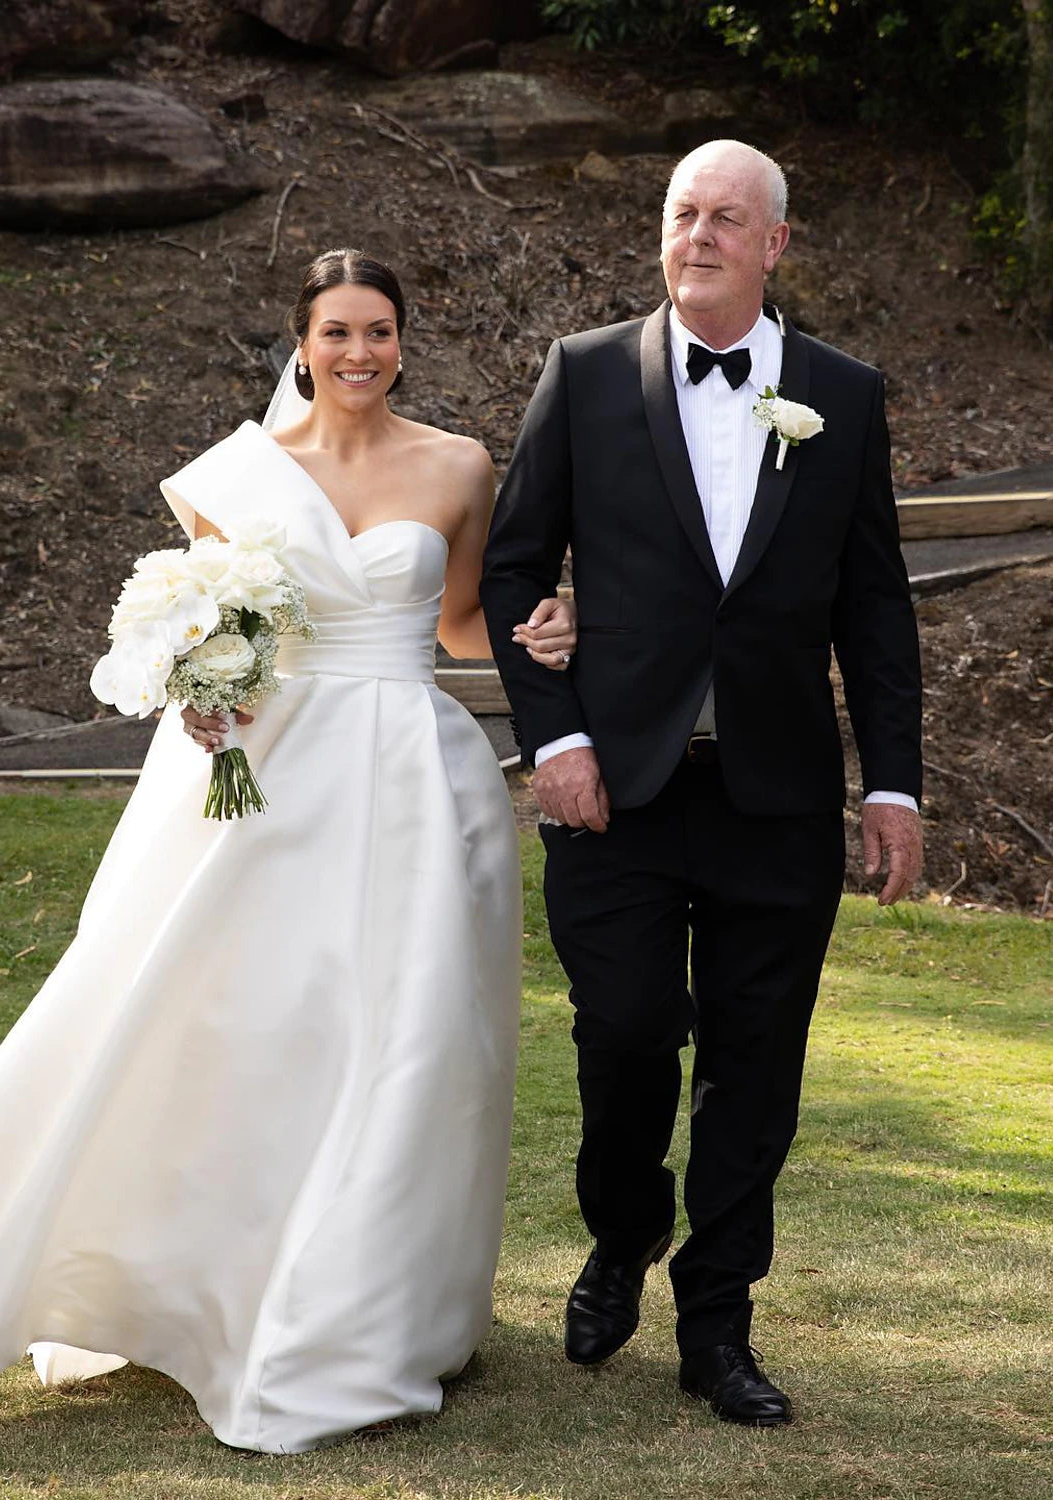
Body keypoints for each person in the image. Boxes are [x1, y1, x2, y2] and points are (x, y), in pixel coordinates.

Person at [0, 248, 577, 1453]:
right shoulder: (236, 475)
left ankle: (366, 1311)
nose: (358, 354)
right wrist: (196, 688)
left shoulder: (461, 465)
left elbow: (461, 621)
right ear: (302, 342)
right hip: (266, 777)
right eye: (336, 333)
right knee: (227, 1021)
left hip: (416, 782)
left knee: (409, 1035)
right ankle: (188, 1281)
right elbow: (217, 628)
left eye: (378, 332)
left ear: (402, 340)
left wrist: (551, 625)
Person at [480, 140, 923, 1428]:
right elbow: (514, 572)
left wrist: (890, 783)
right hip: (614, 791)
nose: (701, 235)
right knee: (622, 1033)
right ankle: (623, 1237)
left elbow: (877, 611)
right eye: (683, 213)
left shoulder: (844, 391)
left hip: (778, 797)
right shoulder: (583, 374)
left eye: (730, 218)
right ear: (660, 232)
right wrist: (555, 744)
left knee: (755, 1063)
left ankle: (717, 1324)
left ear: (776, 243)